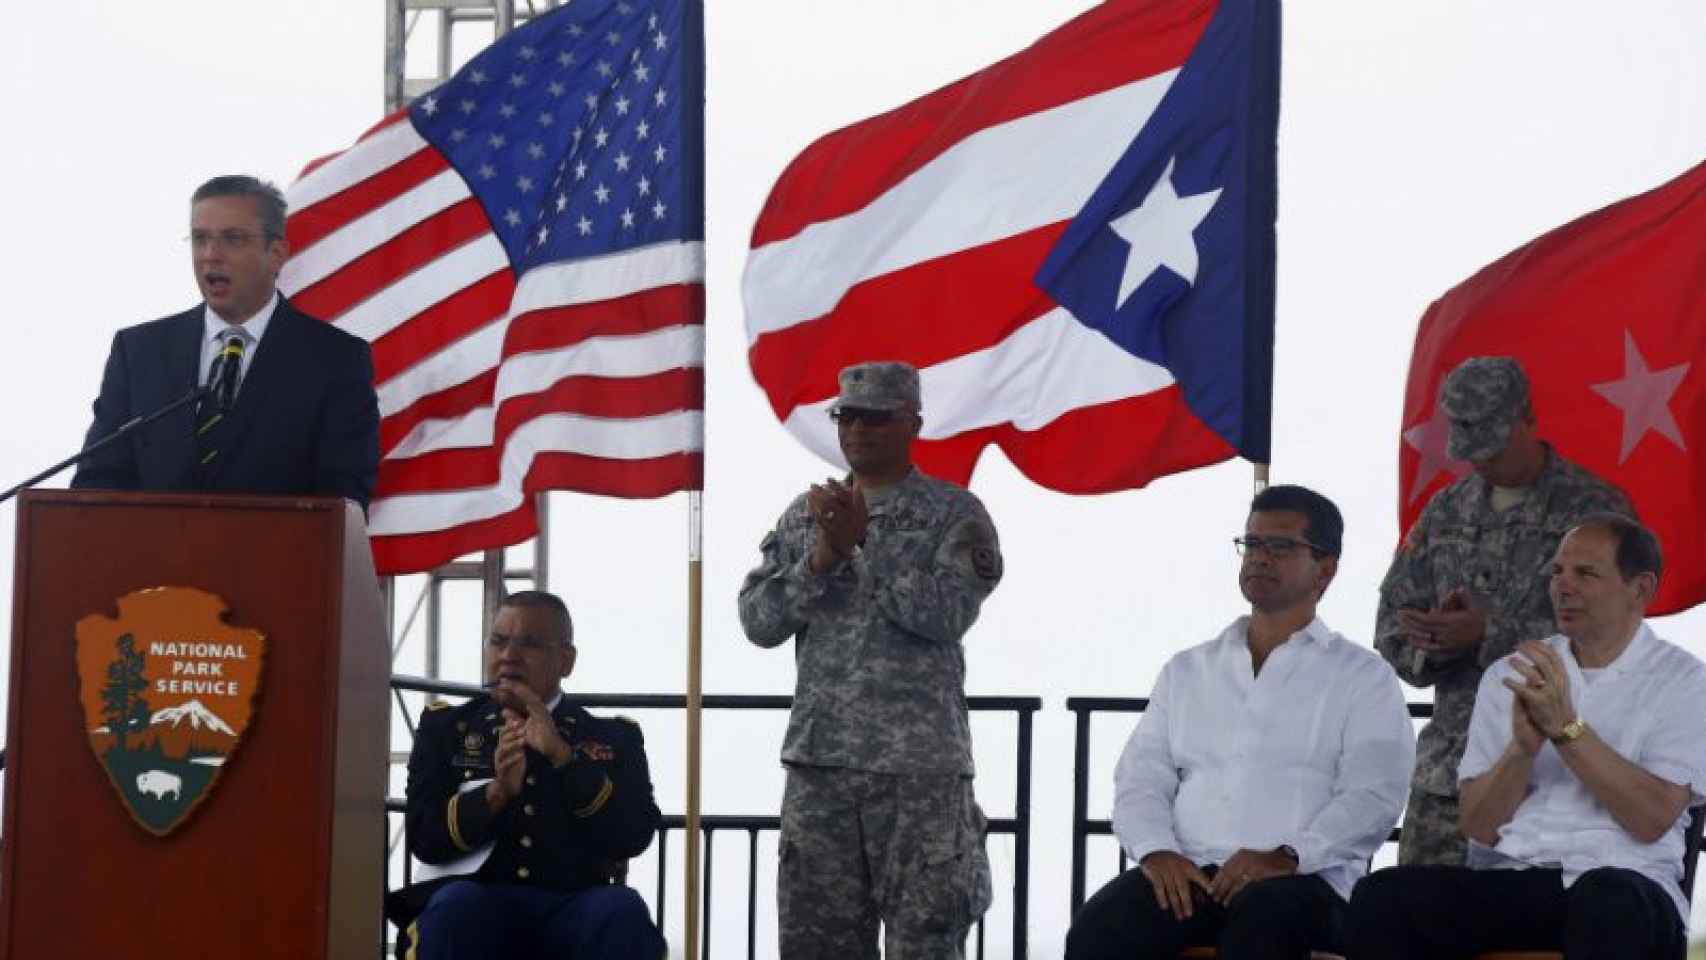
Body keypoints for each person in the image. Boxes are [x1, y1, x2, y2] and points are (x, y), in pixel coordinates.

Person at [1066, 485, 1413, 960]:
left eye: (1281, 546)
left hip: (1303, 882)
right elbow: (1141, 779)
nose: (1260, 558)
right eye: (1252, 544)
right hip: (1190, 875)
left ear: (1325, 569)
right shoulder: (1188, 670)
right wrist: (1156, 851)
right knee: (1101, 926)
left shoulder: (1363, 677)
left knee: (1262, 926)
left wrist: (1288, 856)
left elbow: (1374, 796)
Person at [1348, 515, 1706, 959]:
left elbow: (1652, 818)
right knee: (1383, 897)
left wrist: (1567, 731)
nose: (1563, 586)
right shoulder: (1511, 673)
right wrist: (1521, 750)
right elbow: (1478, 827)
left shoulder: (1685, 680)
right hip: (1515, 876)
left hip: (1625, 880)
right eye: (1557, 571)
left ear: (1640, 589)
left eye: (1585, 574)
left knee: (1610, 903)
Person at [738, 361, 1003, 960]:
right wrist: (818, 561)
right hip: (820, 767)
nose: (858, 430)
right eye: (847, 417)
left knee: (924, 943)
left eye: (876, 418)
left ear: (911, 422)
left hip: (920, 776)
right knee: (816, 946)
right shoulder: (805, 516)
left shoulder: (954, 515)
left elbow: (946, 614)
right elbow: (759, 621)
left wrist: (867, 546)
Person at [1376, 356, 1632, 865]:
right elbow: (1392, 627)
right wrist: (1434, 641)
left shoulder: (1594, 511)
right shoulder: (1445, 511)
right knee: (1412, 925)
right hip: (1450, 773)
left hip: (1560, 775)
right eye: (1471, 449)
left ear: (1527, 418)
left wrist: (1489, 635)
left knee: (1538, 935)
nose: (1481, 461)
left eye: (1492, 444)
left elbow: (1614, 634)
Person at [70, 174, 380, 509]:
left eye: (232, 239)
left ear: (276, 254)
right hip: (153, 558)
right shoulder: (139, 352)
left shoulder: (335, 360)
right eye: (200, 239)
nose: (210, 255)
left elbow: (342, 503)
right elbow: (96, 483)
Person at [387, 590, 664, 960]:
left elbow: (633, 835)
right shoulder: (447, 727)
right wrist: (496, 793)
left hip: (572, 906)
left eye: (529, 644)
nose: (508, 656)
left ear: (566, 660)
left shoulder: (614, 737)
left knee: (620, 910)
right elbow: (423, 835)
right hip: (479, 904)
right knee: (454, 908)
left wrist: (565, 758)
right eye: (498, 642)